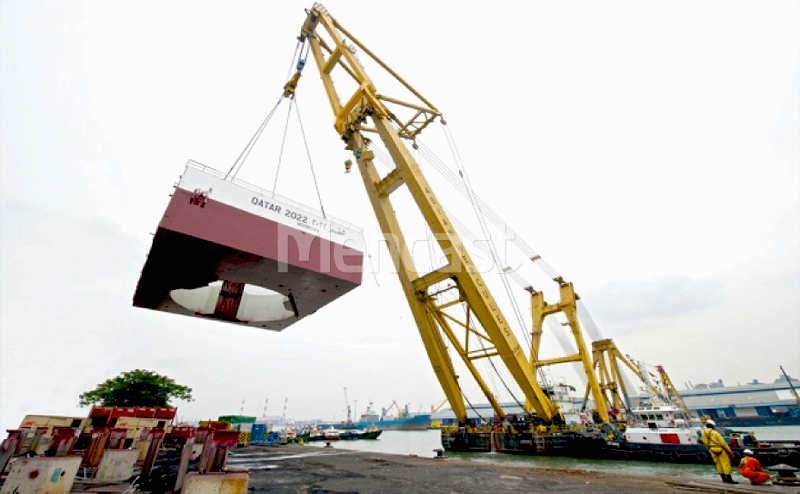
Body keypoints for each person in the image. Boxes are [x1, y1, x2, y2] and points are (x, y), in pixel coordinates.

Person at [701, 419, 737, 484]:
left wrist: (709, 450)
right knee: (725, 463)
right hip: (720, 449)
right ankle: (729, 479)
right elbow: (723, 443)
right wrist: (730, 452)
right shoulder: (715, 433)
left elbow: (705, 443)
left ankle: (723, 478)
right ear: (713, 426)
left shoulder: (703, 433)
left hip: (712, 450)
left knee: (718, 464)